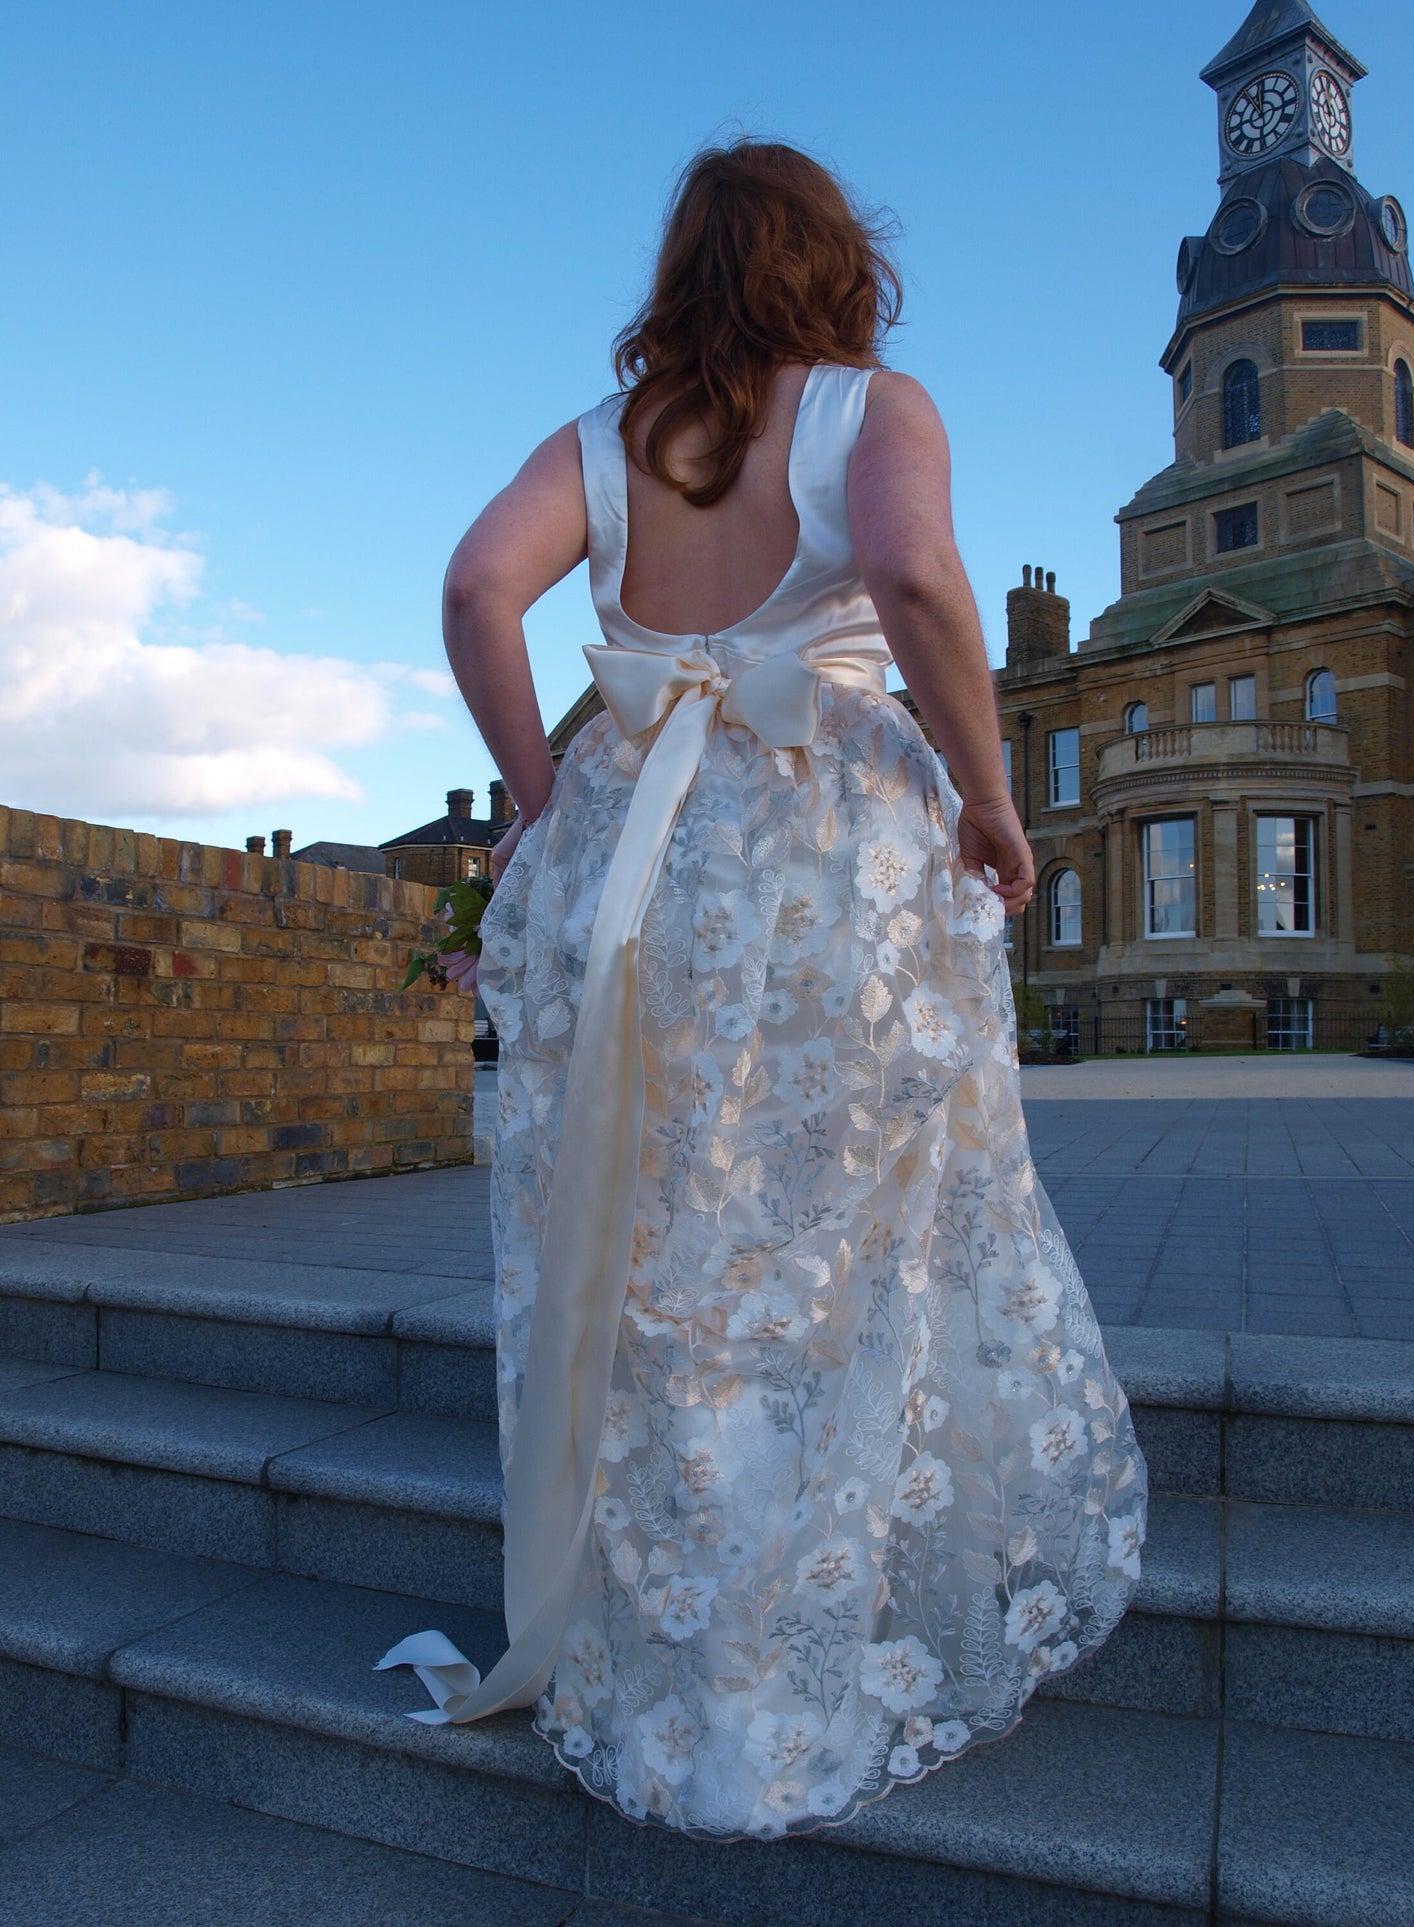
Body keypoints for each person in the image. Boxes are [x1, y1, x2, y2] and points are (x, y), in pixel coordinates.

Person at [377, 139, 1147, 1841]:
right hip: (826, 858)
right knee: (830, 1246)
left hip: (639, 860)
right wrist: (994, 800)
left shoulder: (605, 443)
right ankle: (790, 1647)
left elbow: (471, 589)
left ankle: (673, 1657)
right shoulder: (872, 407)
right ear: (831, 261)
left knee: (657, 1253)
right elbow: (921, 580)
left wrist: (533, 790)